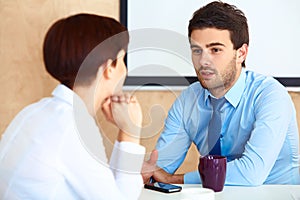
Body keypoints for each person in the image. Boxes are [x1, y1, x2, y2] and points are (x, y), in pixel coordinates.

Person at [143, 1, 300, 185]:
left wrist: (177, 179)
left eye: (215, 50)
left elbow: (251, 173)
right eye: (197, 50)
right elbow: (159, 169)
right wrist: (146, 171)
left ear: (241, 53)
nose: (203, 61)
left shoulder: (271, 96)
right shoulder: (188, 101)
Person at [0, 13, 146, 199]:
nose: (124, 70)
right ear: (108, 68)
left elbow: (107, 187)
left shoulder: (35, 112)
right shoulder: (73, 128)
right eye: (122, 60)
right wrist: (131, 132)